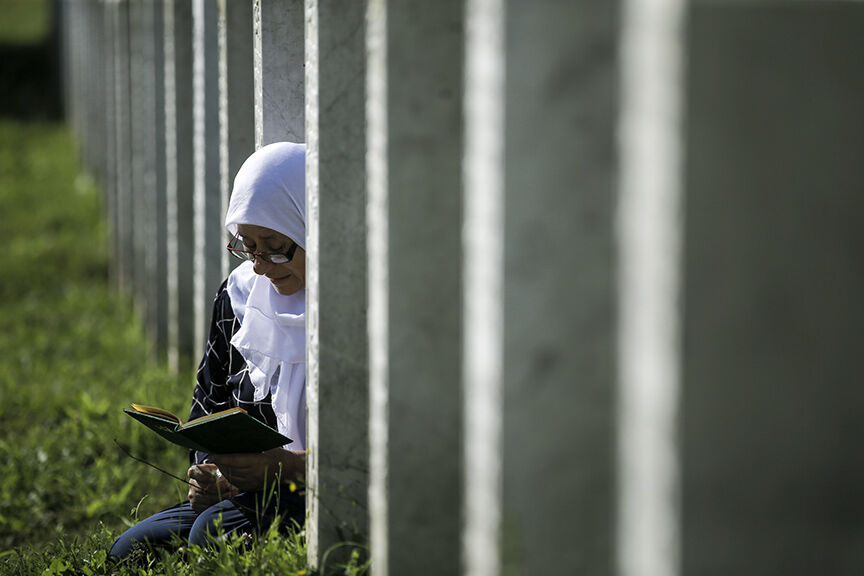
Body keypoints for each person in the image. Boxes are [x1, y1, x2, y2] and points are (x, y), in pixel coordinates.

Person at [110, 142, 308, 558]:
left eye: (274, 245)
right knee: (131, 549)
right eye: (247, 245)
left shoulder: (357, 308)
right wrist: (209, 472)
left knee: (210, 534)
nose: (259, 265)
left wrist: (288, 468)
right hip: (243, 491)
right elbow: (209, 402)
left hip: (312, 489)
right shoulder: (240, 296)